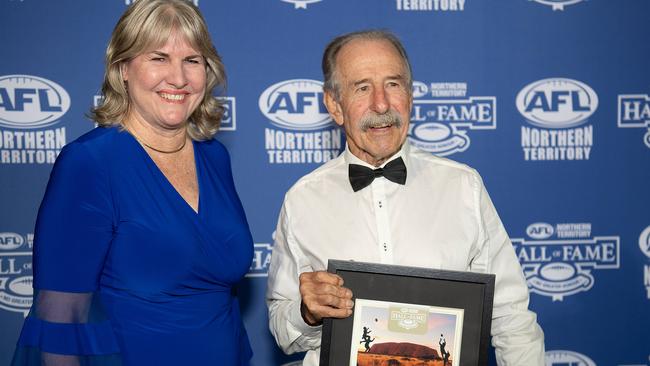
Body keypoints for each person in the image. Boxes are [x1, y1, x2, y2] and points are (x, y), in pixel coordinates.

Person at [266, 30, 545, 366]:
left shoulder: (463, 187)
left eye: (393, 84)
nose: (381, 104)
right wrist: (306, 313)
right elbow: (283, 330)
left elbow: (511, 317)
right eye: (362, 88)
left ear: (411, 96)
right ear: (334, 106)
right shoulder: (303, 200)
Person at [12, 1, 253, 365]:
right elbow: (62, 321)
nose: (178, 78)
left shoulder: (213, 156)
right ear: (123, 68)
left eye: (192, 60)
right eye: (158, 58)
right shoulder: (90, 163)